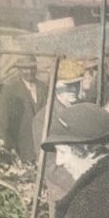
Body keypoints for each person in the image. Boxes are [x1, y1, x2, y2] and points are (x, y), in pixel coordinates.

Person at [31, 58, 91, 206]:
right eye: (67, 86)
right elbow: (49, 165)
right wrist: (80, 184)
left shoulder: (86, 110)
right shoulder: (44, 120)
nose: (73, 90)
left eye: (76, 84)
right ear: (54, 85)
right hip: (65, 194)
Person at [0, 54, 46, 163]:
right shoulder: (9, 90)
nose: (29, 71)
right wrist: (10, 147)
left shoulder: (44, 88)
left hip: (43, 148)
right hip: (21, 149)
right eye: (25, 68)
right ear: (19, 69)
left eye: (32, 68)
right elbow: (3, 122)